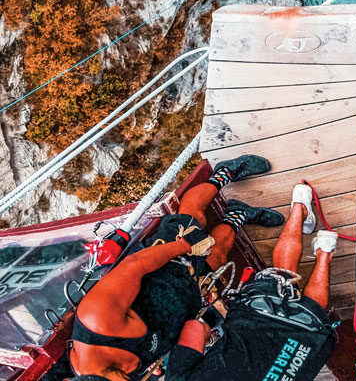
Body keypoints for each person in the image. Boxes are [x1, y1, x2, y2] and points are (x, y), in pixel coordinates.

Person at [69, 154, 284, 381]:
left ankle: (224, 173)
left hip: (167, 268)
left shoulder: (96, 318)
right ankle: (238, 215)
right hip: (184, 300)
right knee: (218, 255)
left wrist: (183, 246)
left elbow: (135, 265)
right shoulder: (110, 372)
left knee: (193, 218)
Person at [163, 182, 339, 381]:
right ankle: (300, 207)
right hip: (256, 318)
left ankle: (325, 251)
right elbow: (196, 328)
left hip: (295, 353)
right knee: (284, 274)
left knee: (309, 316)